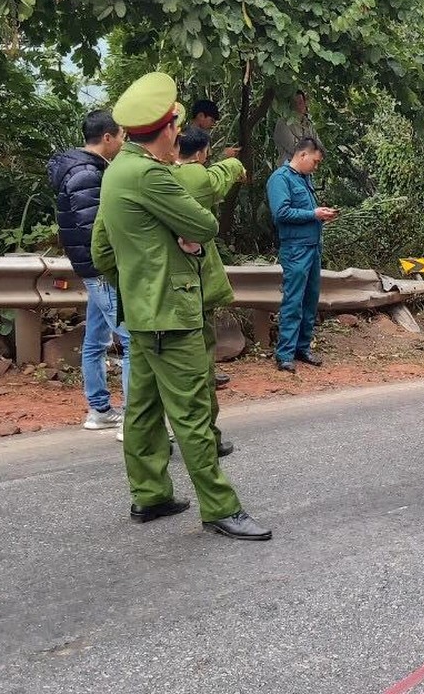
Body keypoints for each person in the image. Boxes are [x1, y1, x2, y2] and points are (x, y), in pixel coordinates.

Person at [90, 71, 268, 541]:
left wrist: (140, 278)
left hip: (143, 313)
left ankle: (150, 496)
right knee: (191, 412)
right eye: (176, 126)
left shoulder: (115, 172)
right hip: (172, 312)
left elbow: (101, 251)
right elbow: (205, 223)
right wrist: (179, 248)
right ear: (168, 127)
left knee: (143, 410)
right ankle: (220, 507)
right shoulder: (149, 174)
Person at [49, 110, 130, 436]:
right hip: (101, 269)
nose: (123, 142)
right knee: (131, 340)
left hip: (90, 268)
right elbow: (95, 228)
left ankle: (99, 410)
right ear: (107, 138)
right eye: (121, 136)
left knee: (95, 340)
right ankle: (134, 421)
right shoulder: (87, 174)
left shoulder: (83, 168)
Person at [172, 125, 248, 458]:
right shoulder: (195, 179)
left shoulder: (157, 176)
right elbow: (214, 177)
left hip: (159, 291)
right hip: (193, 285)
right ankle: (207, 439)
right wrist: (234, 164)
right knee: (201, 367)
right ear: (202, 153)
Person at [268, 137, 339, 372]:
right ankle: (285, 354)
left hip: (312, 246)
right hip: (295, 249)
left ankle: (302, 348)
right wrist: (313, 214)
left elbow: (307, 211)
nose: (315, 167)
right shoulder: (280, 179)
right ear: (302, 155)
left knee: (310, 300)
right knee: (293, 300)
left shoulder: (305, 178)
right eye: (315, 162)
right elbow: (282, 213)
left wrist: (321, 215)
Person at [273, 89, 316, 166]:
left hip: (306, 171)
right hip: (288, 170)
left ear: (305, 103)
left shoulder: (308, 124)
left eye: (300, 103)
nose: (298, 107)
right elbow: (295, 148)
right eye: (294, 104)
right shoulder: (283, 123)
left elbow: (319, 147)